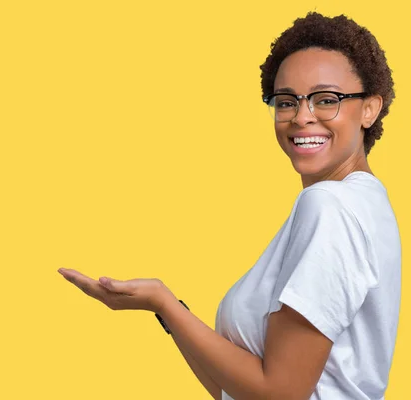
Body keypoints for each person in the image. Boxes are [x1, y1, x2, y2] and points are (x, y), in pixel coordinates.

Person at [58, 11, 401, 400]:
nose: (302, 117)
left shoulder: (330, 206)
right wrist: (166, 308)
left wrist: (165, 303)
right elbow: (238, 390)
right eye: (286, 102)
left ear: (370, 109)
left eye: (326, 100)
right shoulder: (368, 202)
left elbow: (280, 394)